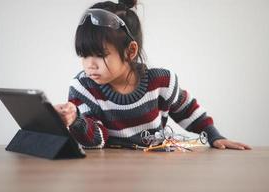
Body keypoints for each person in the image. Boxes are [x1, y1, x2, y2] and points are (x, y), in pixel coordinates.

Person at [54, 0, 251, 150]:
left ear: (130, 52)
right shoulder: (83, 87)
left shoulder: (161, 82)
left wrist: (214, 136)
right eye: (84, 55)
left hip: (154, 168)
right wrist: (77, 120)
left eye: (100, 55)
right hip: (107, 172)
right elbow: (97, 139)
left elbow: (188, 110)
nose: (90, 65)